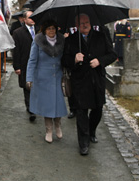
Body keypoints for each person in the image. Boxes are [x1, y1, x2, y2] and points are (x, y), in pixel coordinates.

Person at [62, 13, 117, 155]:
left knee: (98, 109)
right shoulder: (72, 40)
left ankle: (92, 130)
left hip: (97, 79)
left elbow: (112, 55)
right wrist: (74, 59)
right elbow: (64, 60)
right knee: (81, 112)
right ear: (76, 26)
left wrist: (100, 61)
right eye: (81, 23)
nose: (85, 25)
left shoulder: (101, 35)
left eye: (87, 22)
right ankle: (83, 143)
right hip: (80, 81)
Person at [26, 19, 67, 143]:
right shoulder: (38, 41)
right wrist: (29, 78)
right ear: (44, 30)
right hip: (42, 78)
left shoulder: (62, 41)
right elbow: (32, 60)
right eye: (48, 28)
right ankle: (49, 130)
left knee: (58, 103)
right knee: (47, 105)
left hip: (58, 77)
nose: (51, 31)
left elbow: (66, 58)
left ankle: (58, 125)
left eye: (53, 28)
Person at [12, 10, 37, 121]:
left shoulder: (41, 30)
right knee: (27, 87)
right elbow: (15, 51)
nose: (32, 19)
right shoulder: (18, 32)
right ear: (24, 19)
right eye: (30, 17)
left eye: (33, 17)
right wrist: (16, 66)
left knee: (38, 86)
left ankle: (36, 106)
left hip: (38, 64)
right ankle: (31, 109)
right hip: (25, 63)